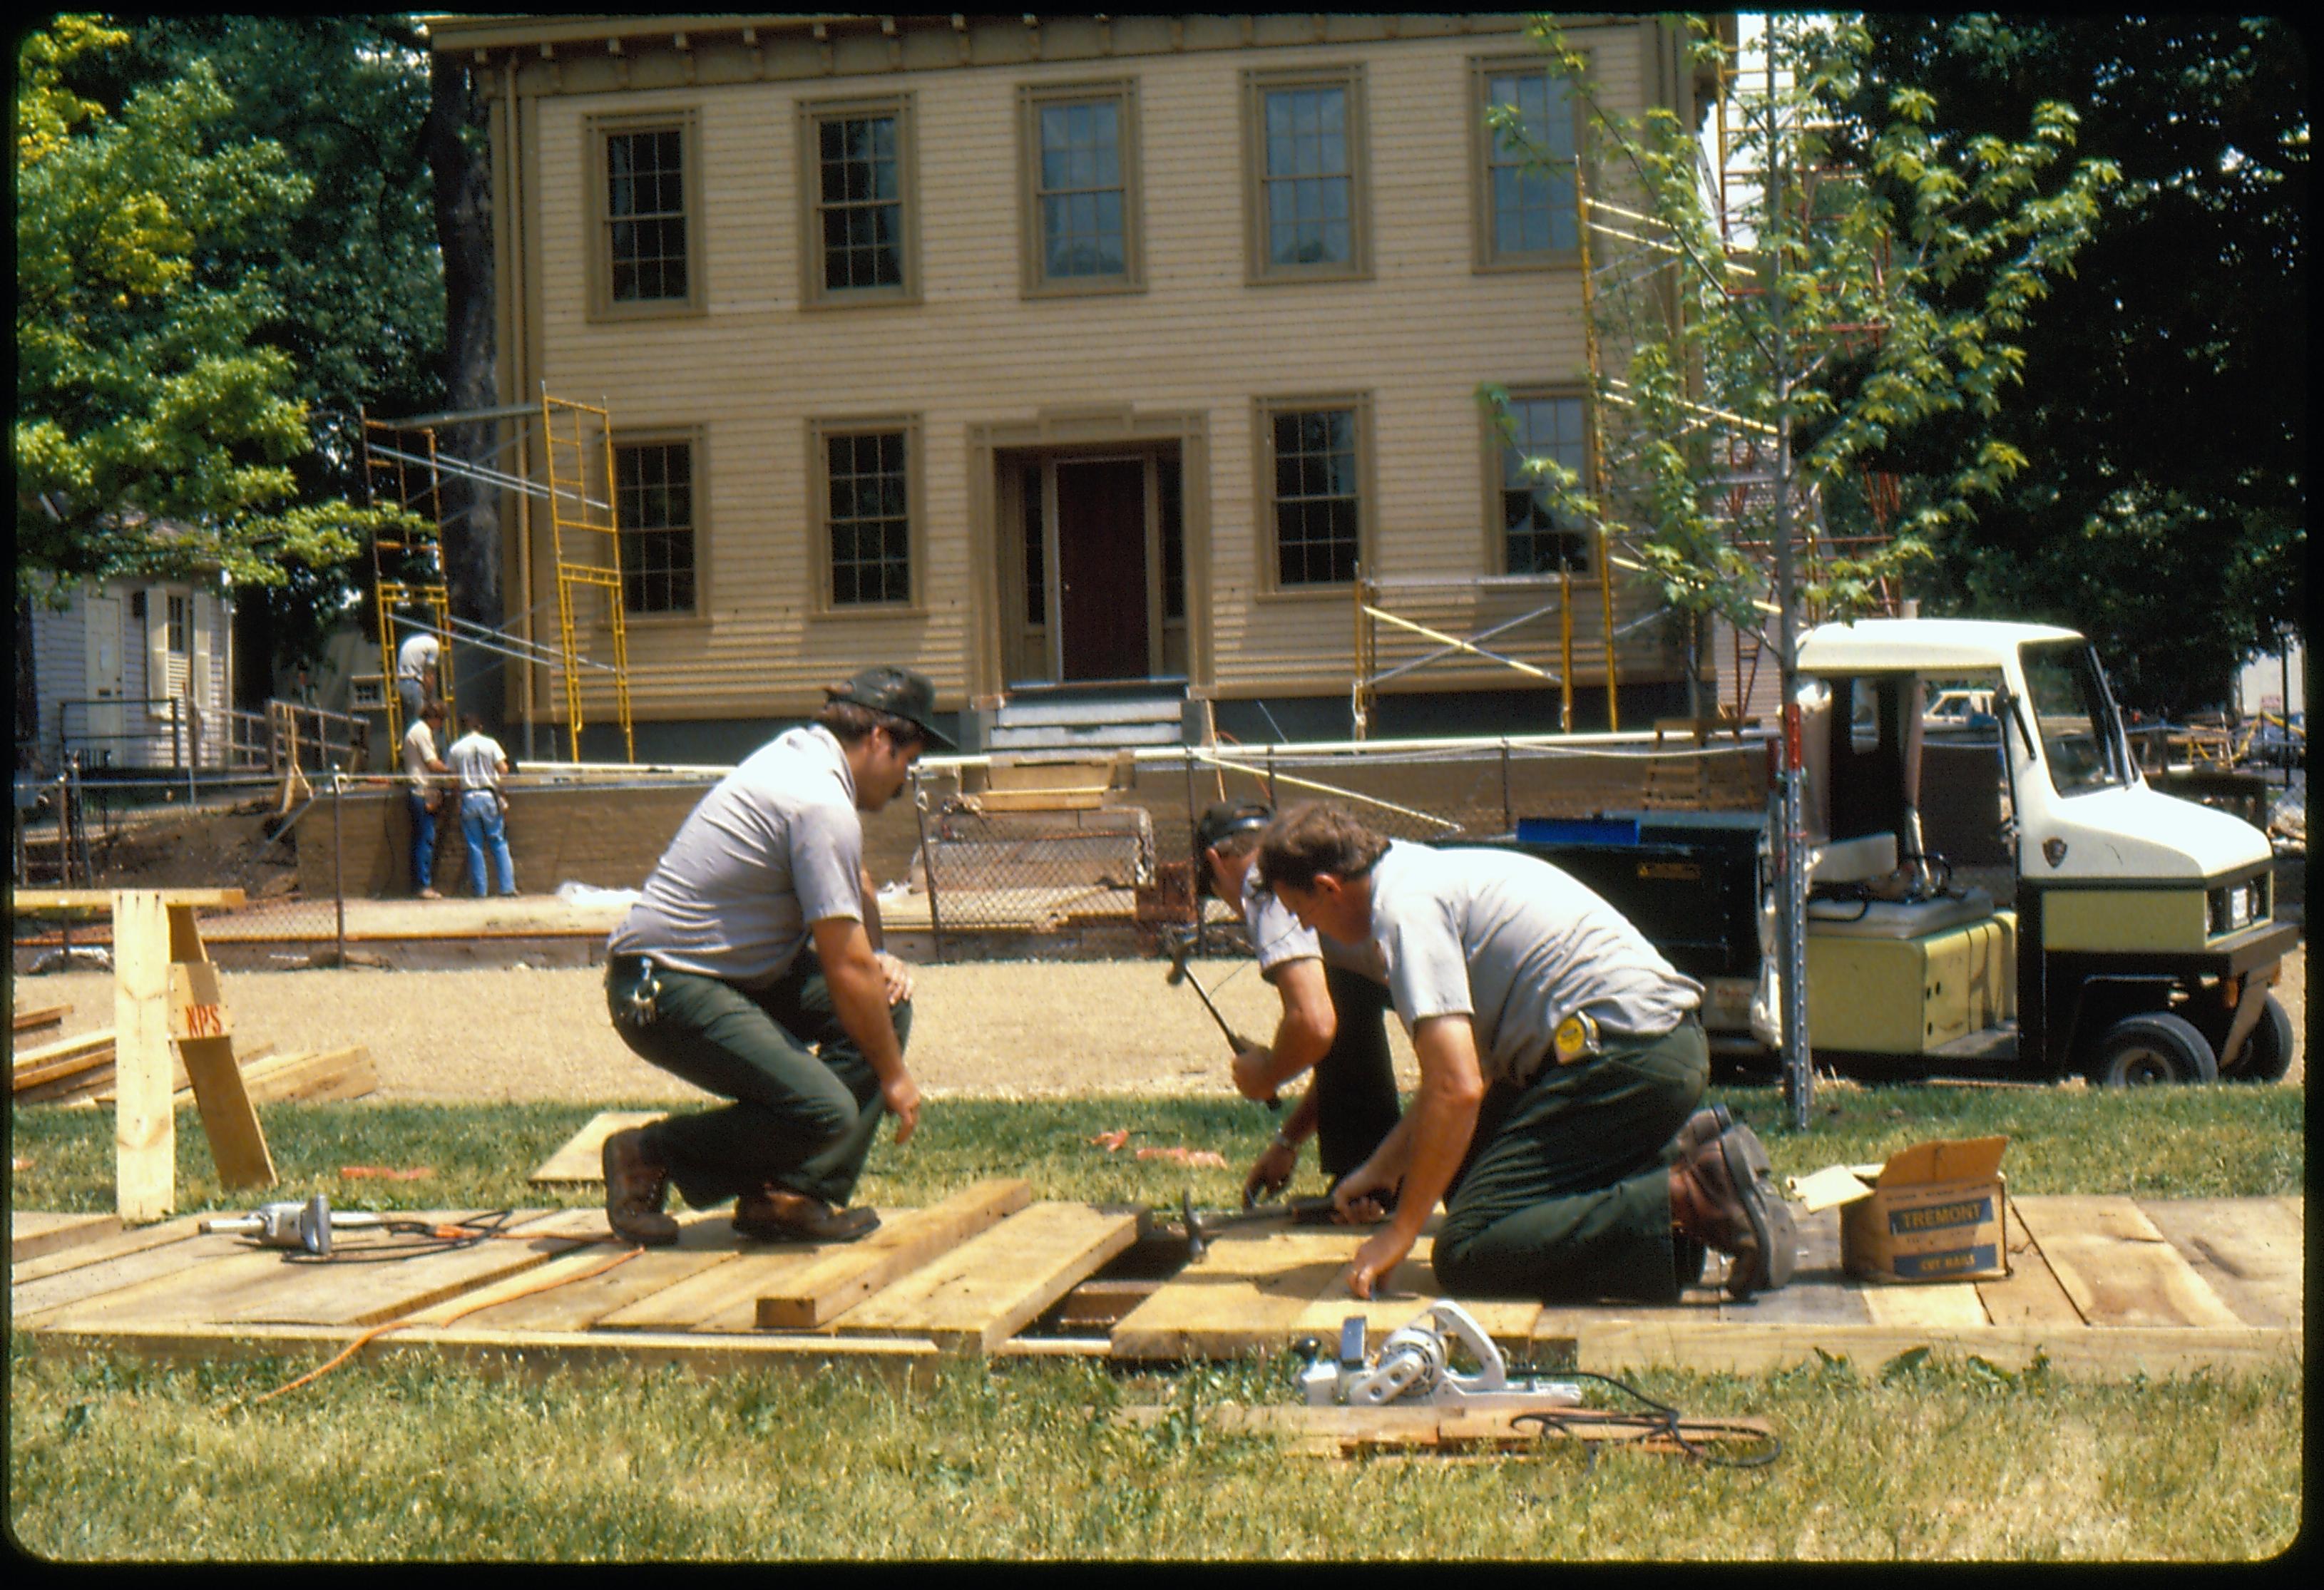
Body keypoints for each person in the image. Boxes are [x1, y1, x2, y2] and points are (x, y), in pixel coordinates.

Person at [1254, 801, 1795, 1306]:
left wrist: (1400, 1231)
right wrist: (1382, 1169)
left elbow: (1457, 1089)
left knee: (1470, 1250)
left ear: (1328, 888)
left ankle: (1688, 1192)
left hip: (1624, 1060)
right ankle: (1685, 1197)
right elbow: (1462, 1081)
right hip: (1652, 1049)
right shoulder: (1417, 873)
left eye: (1302, 911)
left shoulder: (1404, 913)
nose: (1304, 928)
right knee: (1468, 1182)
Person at [598, 666, 950, 1248]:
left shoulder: (805, 762)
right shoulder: (817, 802)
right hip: (661, 986)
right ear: (881, 740)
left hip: (720, 976)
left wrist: (879, 958)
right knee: (824, 1110)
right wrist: (894, 1077)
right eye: (907, 762)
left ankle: (790, 1196)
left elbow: (855, 885)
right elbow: (843, 967)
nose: (903, 780)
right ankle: (648, 1154)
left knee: (882, 1007)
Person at [1192, 799, 1403, 1208]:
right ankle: (1367, 1180)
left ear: (1215, 860)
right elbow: (1337, 1040)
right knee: (1344, 993)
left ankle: (1368, 1179)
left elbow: (1312, 1023)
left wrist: (1266, 1075)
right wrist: (1288, 1141)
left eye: (1218, 892)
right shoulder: (1313, 871)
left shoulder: (1263, 883)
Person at [446, 712, 517, 898]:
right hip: (488, 795)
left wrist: (458, 798)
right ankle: (507, 887)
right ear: (479, 727)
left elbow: (453, 780)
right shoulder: (491, 743)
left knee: (474, 845)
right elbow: (504, 769)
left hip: (469, 796)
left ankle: (480, 891)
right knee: (498, 841)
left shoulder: (456, 749)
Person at [401, 701, 451, 900]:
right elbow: (432, 763)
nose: (441, 725)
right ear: (434, 718)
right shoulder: (422, 732)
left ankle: (419, 884)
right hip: (422, 792)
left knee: (420, 840)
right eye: (441, 720)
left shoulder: (416, 730)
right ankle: (423, 885)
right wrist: (451, 771)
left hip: (418, 791)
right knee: (425, 839)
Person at [396, 624, 441, 727]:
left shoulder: (413, 640)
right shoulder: (434, 645)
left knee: (410, 724)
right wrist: (429, 699)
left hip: (402, 683)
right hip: (415, 684)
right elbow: (429, 674)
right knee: (423, 724)